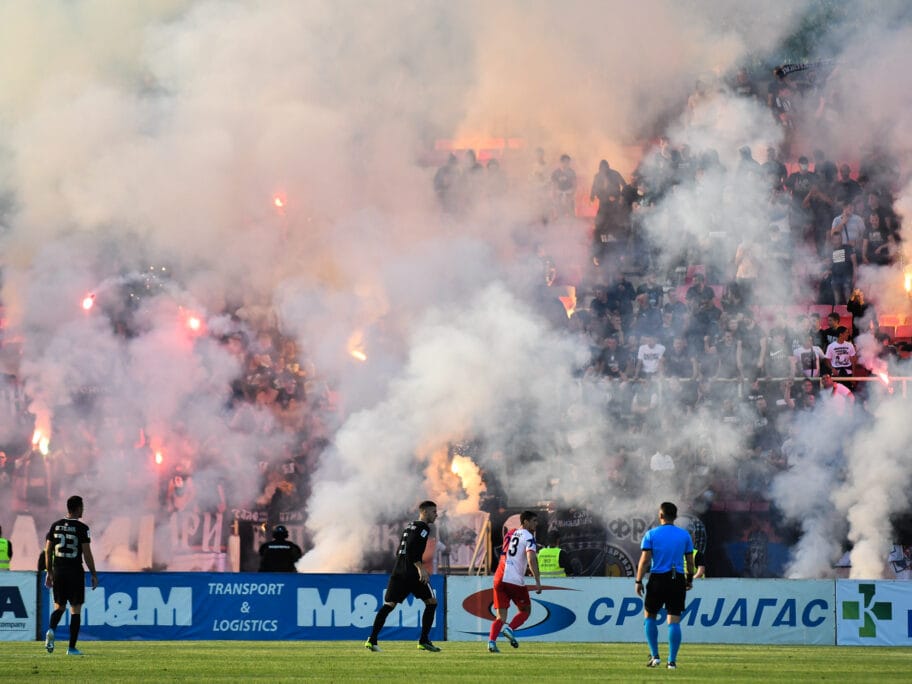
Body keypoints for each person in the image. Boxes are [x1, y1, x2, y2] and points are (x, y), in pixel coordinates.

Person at [365, 500, 441, 652]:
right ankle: (423, 640)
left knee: (389, 605)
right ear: (424, 512)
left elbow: (400, 549)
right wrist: (420, 568)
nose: (436, 515)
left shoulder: (410, 526)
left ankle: (372, 640)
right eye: (433, 512)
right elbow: (412, 548)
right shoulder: (423, 528)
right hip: (413, 573)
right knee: (431, 602)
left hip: (399, 571)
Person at [635, 501, 694, 670]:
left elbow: (644, 561)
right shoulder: (684, 536)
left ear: (660, 515)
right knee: (674, 620)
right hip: (677, 580)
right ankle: (672, 661)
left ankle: (655, 656)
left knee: (649, 617)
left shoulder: (651, 534)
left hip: (658, 579)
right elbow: (690, 561)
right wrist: (689, 580)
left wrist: (638, 581)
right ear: (675, 517)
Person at [44, 495, 98, 656]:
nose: (83, 509)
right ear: (78, 508)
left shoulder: (55, 526)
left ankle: (51, 630)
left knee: (59, 607)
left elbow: (47, 551)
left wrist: (49, 572)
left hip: (59, 571)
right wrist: (94, 574)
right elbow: (87, 554)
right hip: (75, 572)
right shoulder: (82, 528)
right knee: (76, 610)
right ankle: (71, 648)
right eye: (82, 506)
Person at [488, 510, 542, 653]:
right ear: (525, 522)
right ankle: (510, 629)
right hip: (514, 580)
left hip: (499, 577)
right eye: (534, 521)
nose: (536, 524)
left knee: (501, 615)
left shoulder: (510, 532)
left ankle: (491, 643)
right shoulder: (529, 537)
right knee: (526, 610)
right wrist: (537, 580)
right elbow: (531, 558)